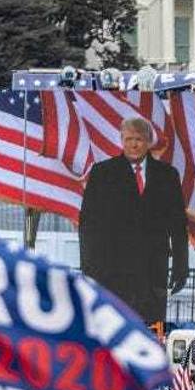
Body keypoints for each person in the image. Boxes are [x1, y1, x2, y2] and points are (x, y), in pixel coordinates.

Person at [79, 117, 188, 324]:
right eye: (129, 139)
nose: (134, 144)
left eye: (139, 139)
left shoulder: (168, 175)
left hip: (153, 273)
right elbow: (88, 226)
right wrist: (88, 269)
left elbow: (178, 225)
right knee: (114, 331)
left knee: (151, 332)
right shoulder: (102, 173)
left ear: (148, 141)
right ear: (121, 140)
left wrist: (181, 265)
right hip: (111, 273)